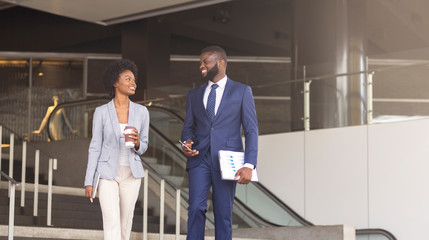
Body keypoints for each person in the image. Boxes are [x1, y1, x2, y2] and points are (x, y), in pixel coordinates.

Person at [181, 46, 258, 240]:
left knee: (223, 214)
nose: (201, 66)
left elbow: (251, 130)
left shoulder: (242, 91)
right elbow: (188, 127)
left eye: (205, 62)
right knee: (196, 208)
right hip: (199, 158)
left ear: (220, 63)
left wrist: (249, 164)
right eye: (200, 63)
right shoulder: (194, 95)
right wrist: (185, 143)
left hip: (227, 161)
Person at [84, 59, 149, 240]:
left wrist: (137, 143)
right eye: (128, 79)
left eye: (134, 80)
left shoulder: (142, 112)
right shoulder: (101, 112)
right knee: (110, 219)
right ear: (115, 82)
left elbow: (144, 146)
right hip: (107, 174)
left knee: (125, 222)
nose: (133, 83)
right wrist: (89, 180)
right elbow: (95, 147)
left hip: (132, 174)